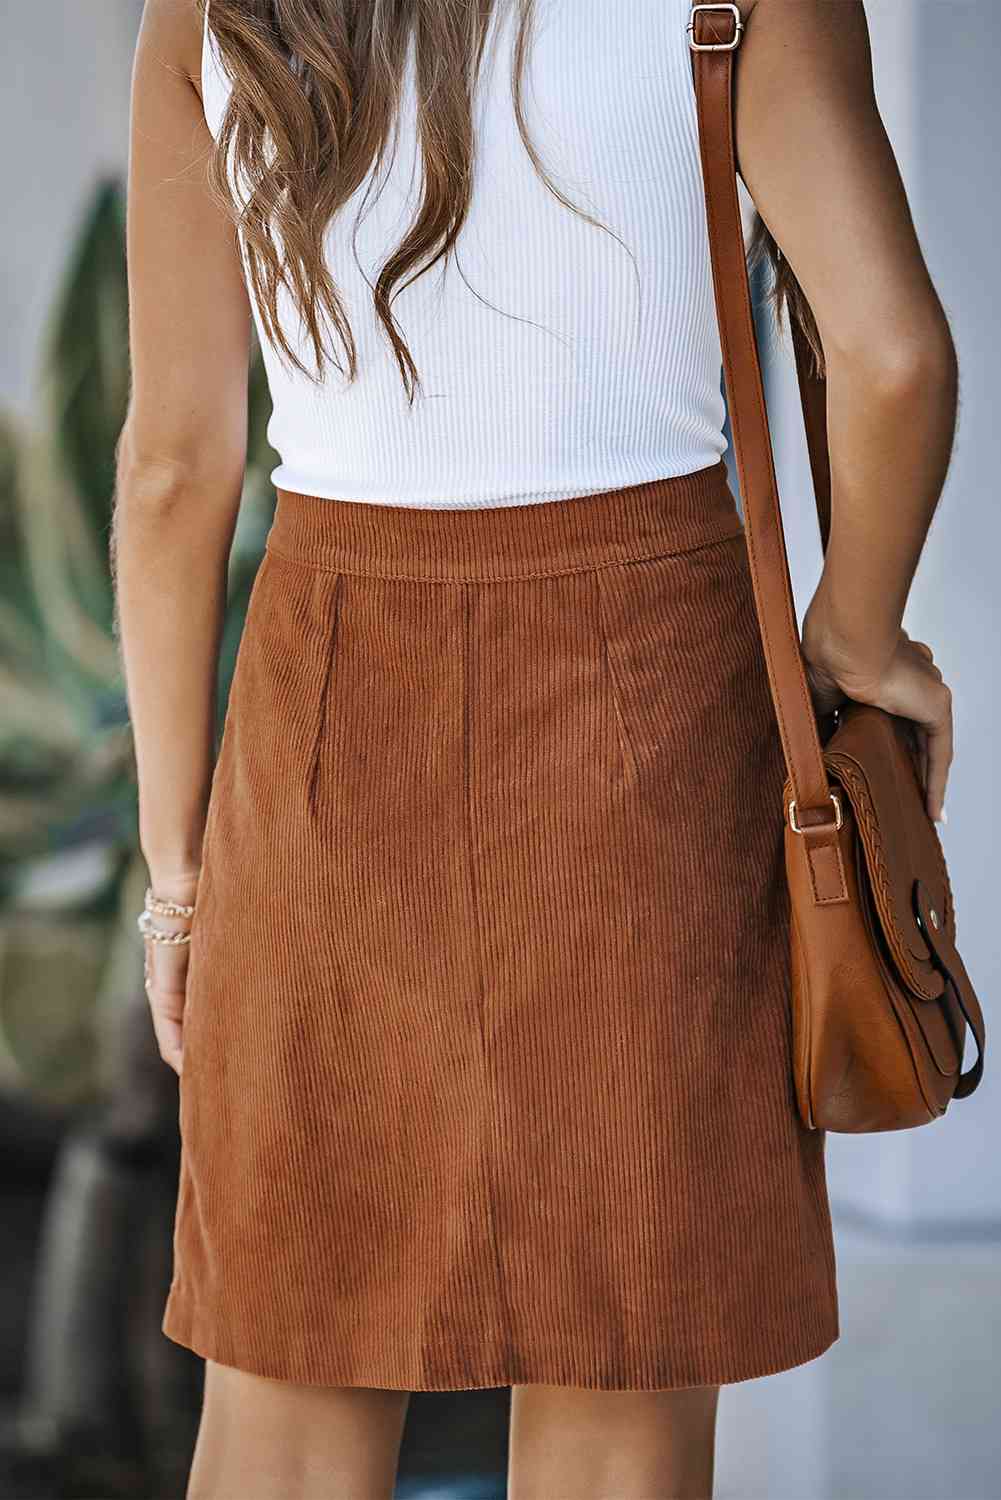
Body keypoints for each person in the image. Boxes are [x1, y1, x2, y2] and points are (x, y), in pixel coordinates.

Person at [111, 0, 957, 1496]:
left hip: (328, 696)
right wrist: (861, 644)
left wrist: (180, 880)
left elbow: (176, 468)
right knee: (621, 1374)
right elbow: (891, 358)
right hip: (656, 693)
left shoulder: (213, 15)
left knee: (289, 1398)